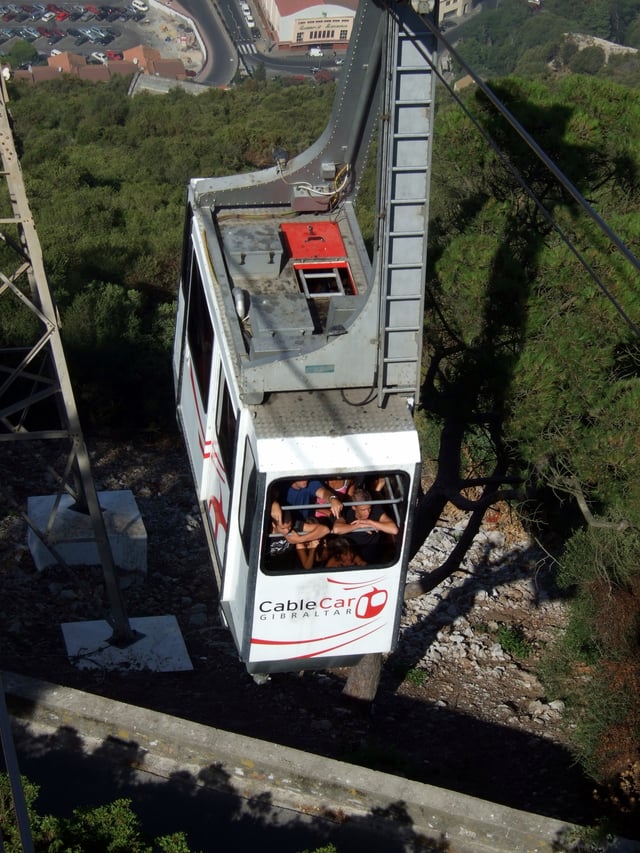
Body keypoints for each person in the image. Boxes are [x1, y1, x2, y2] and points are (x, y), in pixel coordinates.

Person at [332, 488, 399, 563]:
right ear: (354, 507)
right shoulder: (347, 511)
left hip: (372, 550)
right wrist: (359, 525)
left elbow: (394, 529)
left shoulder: (375, 509)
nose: (367, 512)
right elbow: (336, 529)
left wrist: (370, 522)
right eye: (363, 510)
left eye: (369, 508)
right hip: (351, 551)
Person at [271, 479, 343, 525]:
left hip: (305, 522)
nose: (305, 479)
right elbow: (271, 495)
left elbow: (323, 492)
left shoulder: (310, 483)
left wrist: (333, 498)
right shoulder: (281, 485)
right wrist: (273, 503)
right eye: (301, 477)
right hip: (286, 524)